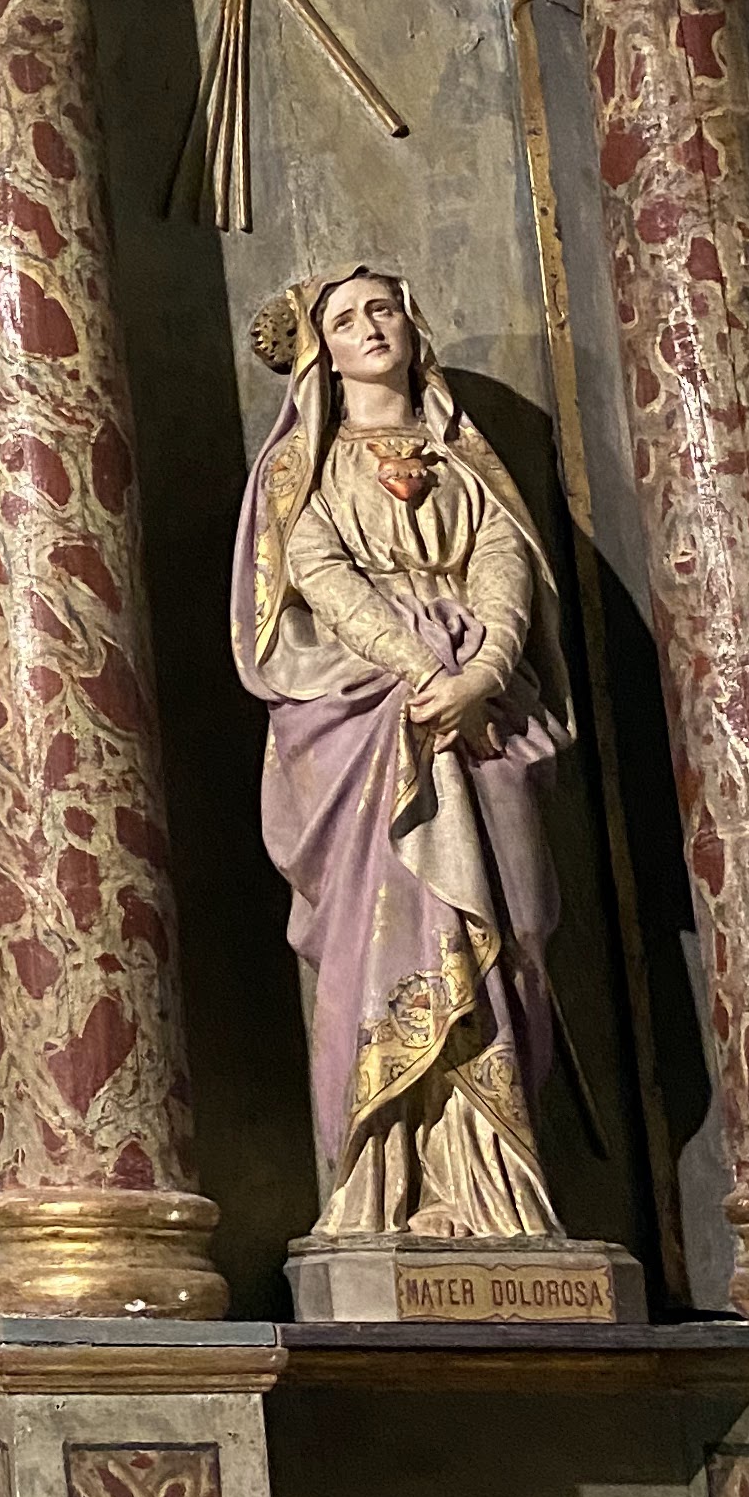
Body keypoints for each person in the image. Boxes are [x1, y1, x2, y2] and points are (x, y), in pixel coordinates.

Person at [231, 266, 574, 1241]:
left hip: (486, 716)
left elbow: (503, 562)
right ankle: (397, 1189)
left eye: (383, 309)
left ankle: (499, 1189)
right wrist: (420, 667)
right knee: (390, 939)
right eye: (345, 319)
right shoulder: (303, 468)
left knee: (513, 931)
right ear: (323, 352)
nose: (370, 328)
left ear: (413, 326)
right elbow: (317, 575)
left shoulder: (466, 460)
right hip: (369, 720)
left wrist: (482, 672)